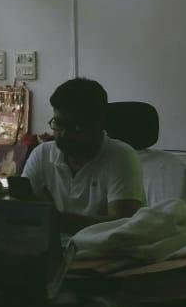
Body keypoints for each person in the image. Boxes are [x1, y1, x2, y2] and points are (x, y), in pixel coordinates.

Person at [22, 78, 144, 234]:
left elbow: (122, 225)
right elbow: (22, 207)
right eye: (58, 123)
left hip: (108, 247)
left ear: (99, 123)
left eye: (76, 127)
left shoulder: (122, 157)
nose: (64, 134)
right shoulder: (42, 154)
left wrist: (56, 220)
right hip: (55, 245)